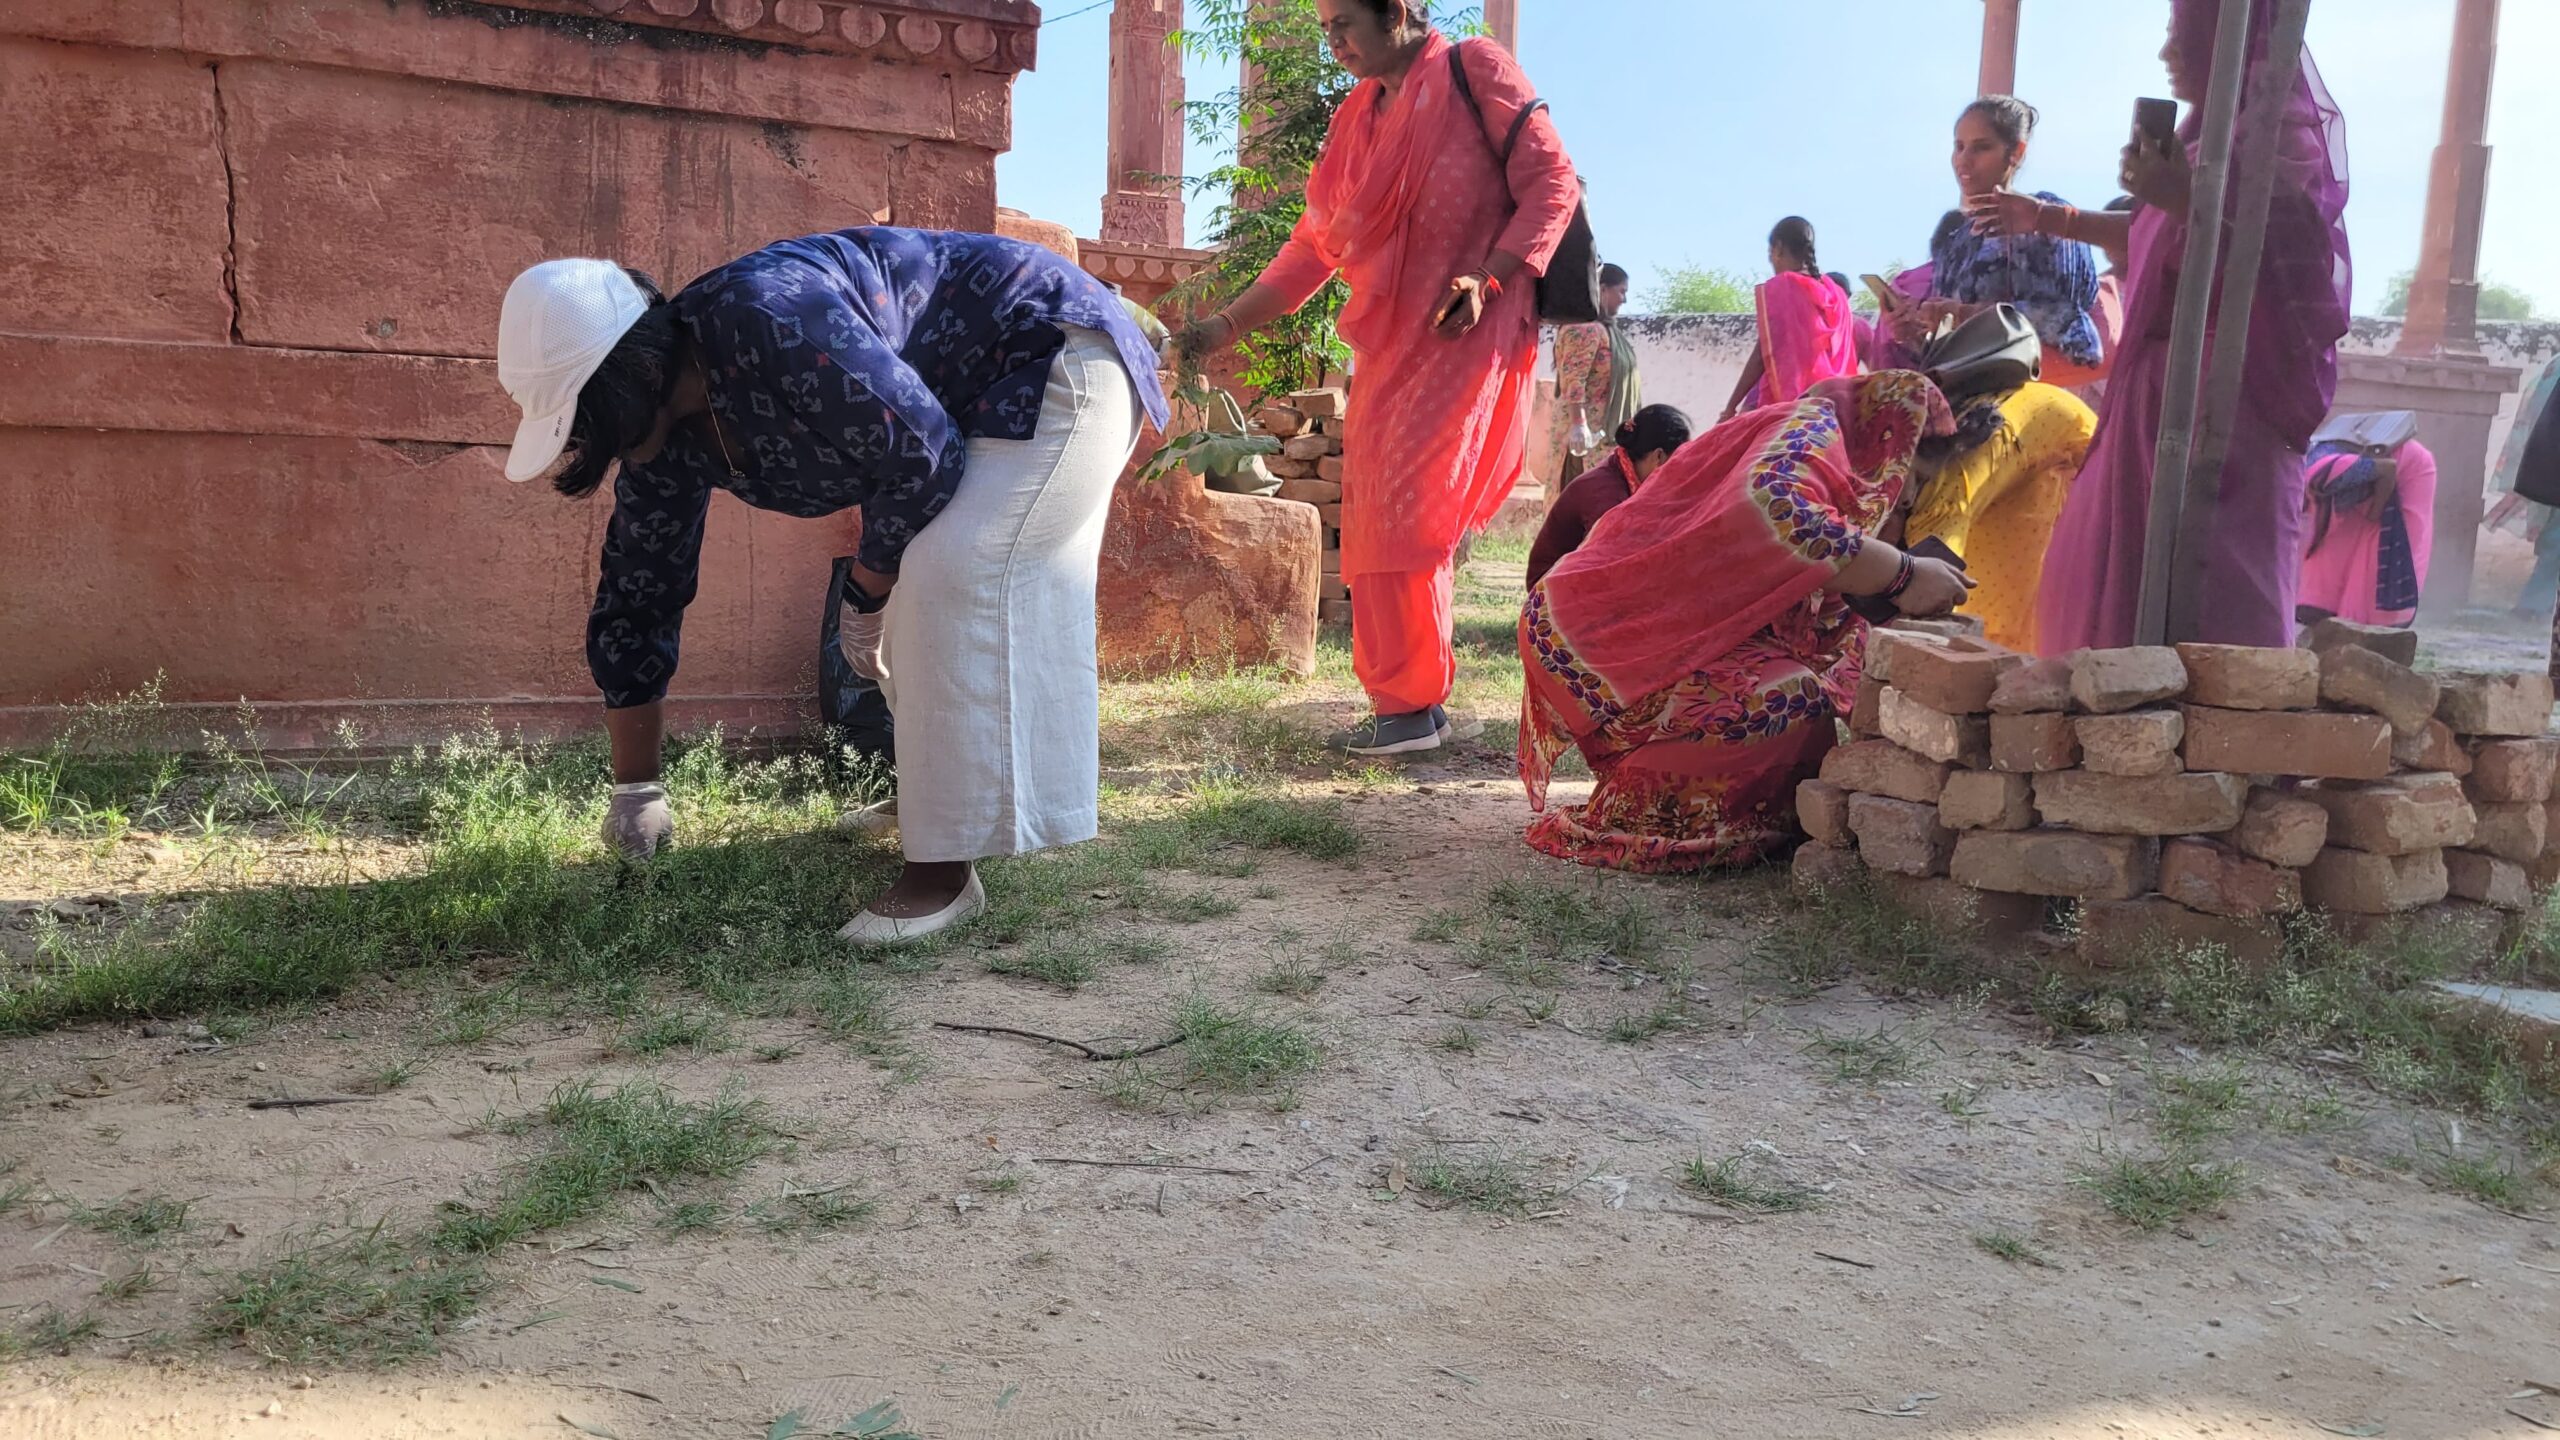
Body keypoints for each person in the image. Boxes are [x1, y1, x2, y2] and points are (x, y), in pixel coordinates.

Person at [493, 228, 1168, 943]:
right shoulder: (661, 442)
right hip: (961, 396)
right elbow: (639, 589)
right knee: (920, 562)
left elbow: (921, 454)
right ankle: (933, 800)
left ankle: (942, 871)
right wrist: (636, 789)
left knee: (954, 567)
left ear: (630, 377)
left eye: (590, 421)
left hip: (1053, 349)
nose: (601, 449)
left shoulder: (768, 317)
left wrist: (866, 596)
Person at [1173, 0, 1579, 759]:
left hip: (1464, 330)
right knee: (1378, 512)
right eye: (1324, 29)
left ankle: (1410, 706)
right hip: (1388, 347)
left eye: (1342, 26)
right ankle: (1410, 705)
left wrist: (1486, 280)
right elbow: (1314, 245)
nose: (1333, 45)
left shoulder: (1475, 69)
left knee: (1411, 509)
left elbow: (1553, 181)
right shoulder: (1358, 116)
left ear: (1395, 12)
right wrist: (1221, 326)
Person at [1519, 373, 1971, 873]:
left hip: (1607, 626)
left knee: (1797, 689)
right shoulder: (1814, 430)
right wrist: (1903, 573)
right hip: (1590, 632)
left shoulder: (1803, 444)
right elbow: (1777, 513)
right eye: (1915, 479)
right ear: (1891, 444)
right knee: (1785, 697)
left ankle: (1689, 807)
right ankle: (1647, 818)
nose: (1907, 499)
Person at [2030, 0, 2352, 653]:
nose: (2168, 55)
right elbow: (2164, 241)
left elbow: (2295, 273)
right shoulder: (2207, 142)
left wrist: (2183, 196)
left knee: (2212, 603)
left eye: (2183, 38)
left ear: (2222, 44)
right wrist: (2061, 217)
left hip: (2223, 400)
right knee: (2127, 602)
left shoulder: (2278, 143)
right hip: (2156, 400)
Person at [1903, 96, 2110, 388]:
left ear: (2016, 152)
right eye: (1958, 146)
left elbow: (2069, 320)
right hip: (1969, 397)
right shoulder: (1955, 241)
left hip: (2039, 395)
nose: (1964, 159)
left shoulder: (2046, 218)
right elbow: (1945, 347)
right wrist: (1914, 328)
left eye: (1981, 147)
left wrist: (1967, 314)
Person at [1902, 382, 2099, 654]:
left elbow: (1928, 605)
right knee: (1990, 582)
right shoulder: (1904, 485)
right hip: (2032, 434)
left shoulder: (1941, 503)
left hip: (2068, 438)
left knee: (2008, 604)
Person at [1525, 404, 1694, 587]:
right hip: (1548, 593)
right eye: (1677, 460)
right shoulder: (1607, 495)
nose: (1680, 470)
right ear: (1659, 456)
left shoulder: (1622, 473)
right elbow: (1613, 563)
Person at [2294, 412, 2435, 629]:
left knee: (2387, 544)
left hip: (2402, 470)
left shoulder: (2321, 474)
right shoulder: (2311, 477)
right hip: (2357, 474)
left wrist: (2376, 509)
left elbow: (2387, 469)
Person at [1720, 218, 1859, 423]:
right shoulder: (1836, 293)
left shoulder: (1784, 286)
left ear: (1777, 249)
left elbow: (1763, 352)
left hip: (1795, 412)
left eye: (1770, 253)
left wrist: (1730, 408)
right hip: (1839, 410)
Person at [1546, 262, 1643, 491]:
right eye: (1621, 291)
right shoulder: (1584, 328)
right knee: (1582, 495)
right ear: (1601, 289)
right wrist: (1579, 425)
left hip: (1604, 434)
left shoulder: (1606, 331)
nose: (1624, 299)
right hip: (1585, 437)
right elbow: (1574, 379)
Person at [2484, 359, 2560, 617]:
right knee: (2555, 540)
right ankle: (2534, 605)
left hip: (2546, 466)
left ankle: (2536, 604)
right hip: (2550, 466)